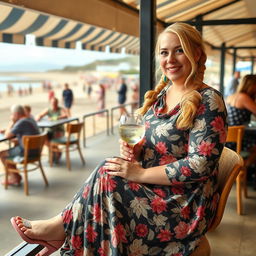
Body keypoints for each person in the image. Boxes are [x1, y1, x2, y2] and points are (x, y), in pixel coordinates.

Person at [11, 22, 227, 255]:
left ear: (196, 53)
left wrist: (140, 173)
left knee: (109, 179)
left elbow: (200, 165)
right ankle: (62, 229)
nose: (170, 59)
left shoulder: (209, 100)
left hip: (183, 202)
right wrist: (136, 152)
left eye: (179, 50)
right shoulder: (163, 95)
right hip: (156, 188)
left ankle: (62, 229)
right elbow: (157, 147)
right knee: (109, 169)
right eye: (164, 52)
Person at [0, 105, 39, 185]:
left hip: (26, 153)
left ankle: (15, 178)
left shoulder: (21, 122)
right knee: (11, 150)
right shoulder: (30, 119)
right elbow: (25, 135)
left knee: (2, 154)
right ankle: (16, 176)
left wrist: (11, 122)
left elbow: (7, 135)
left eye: (12, 114)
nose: (11, 116)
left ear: (16, 114)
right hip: (36, 151)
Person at [36, 97, 68, 163]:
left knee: (53, 139)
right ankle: (58, 152)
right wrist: (38, 117)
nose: (54, 104)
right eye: (52, 103)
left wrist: (54, 118)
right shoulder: (48, 110)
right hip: (50, 130)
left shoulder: (60, 109)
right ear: (51, 103)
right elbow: (40, 115)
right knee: (43, 138)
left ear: (57, 103)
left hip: (59, 130)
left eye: (55, 103)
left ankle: (54, 154)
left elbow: (65, 115)